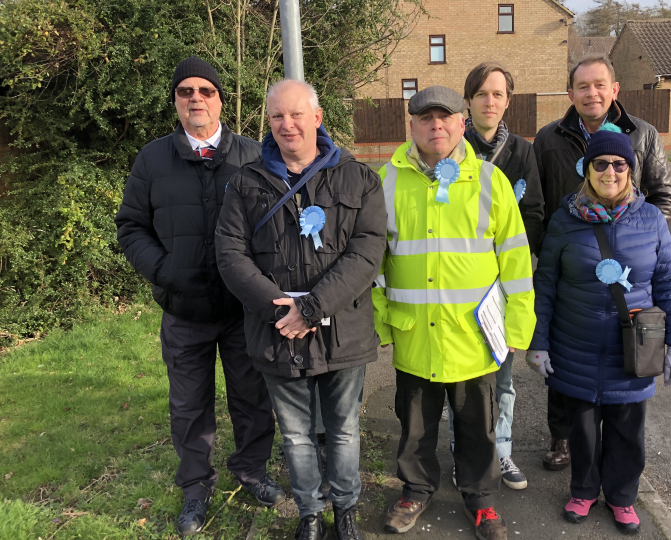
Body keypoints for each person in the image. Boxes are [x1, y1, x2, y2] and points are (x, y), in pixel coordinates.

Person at [115, 56, 280, 536]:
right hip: (184, 310)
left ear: (221, 100)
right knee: (189, 405)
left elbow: (275, 227)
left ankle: (252, 470)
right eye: (185, 91)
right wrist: (164, 271)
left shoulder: (251, 155)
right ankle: (195, 486)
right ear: (175, 101)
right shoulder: (152, 159)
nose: (195, 99)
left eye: (205, 91)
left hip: (241, 310)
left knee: (251, 397)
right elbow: (131, 226)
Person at [215, 79, 386, 540]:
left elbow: (367, 253)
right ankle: (310, 512)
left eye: (296, 115)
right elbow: (230, 256)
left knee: (345, 431)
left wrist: (312, 307)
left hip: (342, 331)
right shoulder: (247, 184)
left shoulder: (359, 177)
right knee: (295, 436)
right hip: (277, 333)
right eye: (277, 117)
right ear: (268, 122)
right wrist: (280, 312)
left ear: (317, 117)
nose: (286, 125)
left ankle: (345, 508)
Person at [374, 86, 535, 540]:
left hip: (475, 338)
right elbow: (374, 262)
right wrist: (380, 320)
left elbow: (516, 259)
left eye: (445, 117)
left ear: (462, 123)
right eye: (425, 118)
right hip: (415, 336)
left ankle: (480, 500)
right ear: (412, 126)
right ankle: (416, 490)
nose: (435, 125)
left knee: (477, 428)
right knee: (415, 429)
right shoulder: (386, 181)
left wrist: (519, 325)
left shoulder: (489, 180)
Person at [527, 124, 671, 534]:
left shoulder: (651, 219)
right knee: (582, 431)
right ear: (588, 169)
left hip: (632, 351)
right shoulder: (565, 218)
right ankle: (583, 490)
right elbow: (545, 283)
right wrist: (539, 342)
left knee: (627, 432)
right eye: (601, 163)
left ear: (631, 170)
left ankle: (622, 497)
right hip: (575, 347)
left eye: (619, 164)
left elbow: (668, 281)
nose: (610, 171)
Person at [532, 53, 671, 473]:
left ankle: (617, 458)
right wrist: (557, 251)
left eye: (600, 84)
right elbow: (537, 205)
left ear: (615, 90)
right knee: (564, 354)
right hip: (571, 265)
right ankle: (562, 438)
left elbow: (663, 194)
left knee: (623, 359)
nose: (591, 93)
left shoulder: (643, 135)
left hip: (630, 272)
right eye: (583, 86)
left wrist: (640, 241)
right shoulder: (549, 138)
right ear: (571, 93)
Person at [443, 61, 544, 491]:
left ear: (507, 102)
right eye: (482, 93)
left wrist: (510, 264)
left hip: (503, 288)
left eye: (498, 94)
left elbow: (535, 213)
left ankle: (501, 450)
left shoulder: (522, 152)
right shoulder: (449, 146)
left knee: (502, 377)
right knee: (460, 378)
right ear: (468, 101)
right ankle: (460, 451)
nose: (490, 101)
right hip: (460, 286)